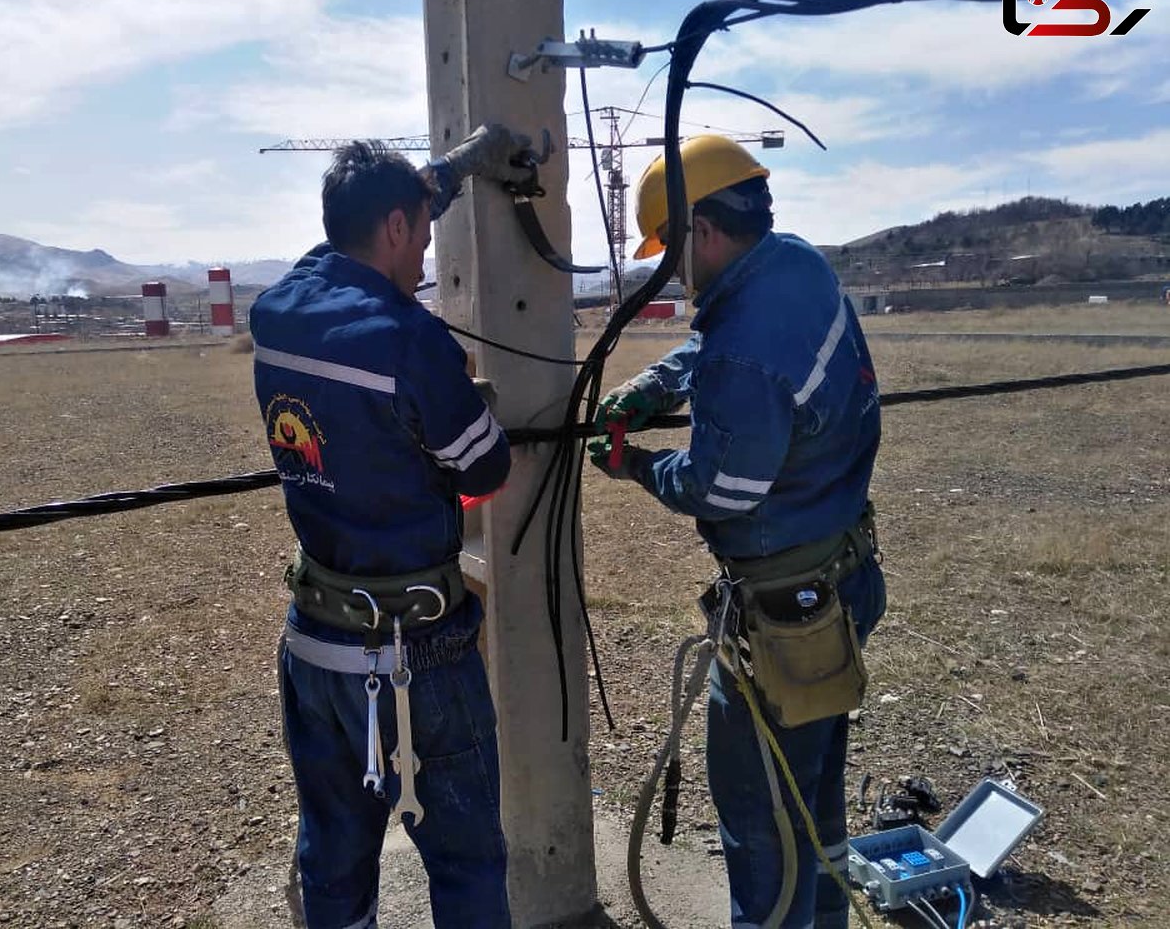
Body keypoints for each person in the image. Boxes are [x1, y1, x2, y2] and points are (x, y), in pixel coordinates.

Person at [588, 135, 886, 929]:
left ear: (705, 233)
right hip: (844, 576)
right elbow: (714, 345)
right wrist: (655, 384)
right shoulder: (793, 265)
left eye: (672, 251)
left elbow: (717, 487)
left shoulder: (743, 352)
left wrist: (636, 465)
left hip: (787, 620)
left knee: (760, 831)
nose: (671, 269)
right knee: (813, 813)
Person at [250, 126, 531, 929]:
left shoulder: (278, 311)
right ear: (400, 227)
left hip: (314, 646)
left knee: (335, 860)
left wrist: (446, 172)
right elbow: (485, 468)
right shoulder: (411, 341)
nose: (425, 265)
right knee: (467, 861)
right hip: (417, 657)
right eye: (422, 236)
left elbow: (345, 244)